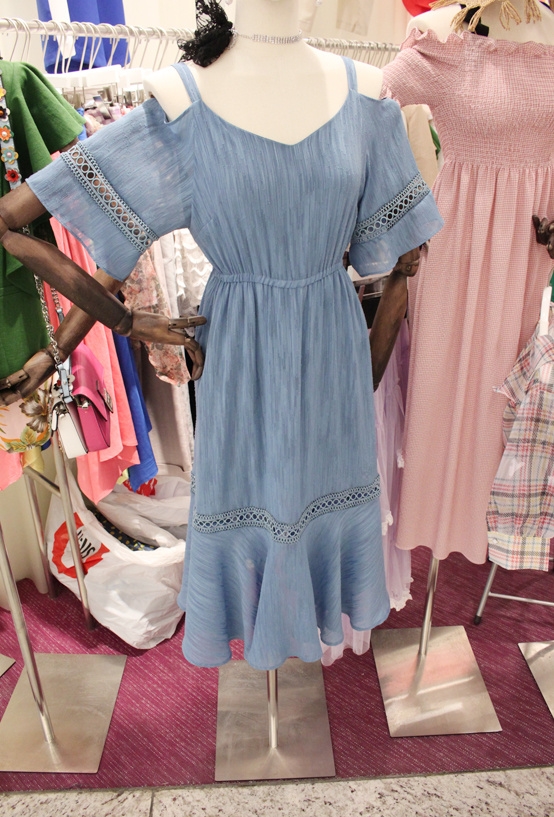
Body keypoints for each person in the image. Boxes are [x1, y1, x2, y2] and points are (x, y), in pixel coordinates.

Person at [0, 0, 442, 670]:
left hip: (331, 346)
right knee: (250, 495)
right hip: (240, 347)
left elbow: (402, 262)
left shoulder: (367, 93)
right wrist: (108, 327)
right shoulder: (182, 102)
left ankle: (302, 630)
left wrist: (366, 375)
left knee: (322, 494)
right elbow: (12, 218)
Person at [380, 0, 554, 566]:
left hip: (533, 251)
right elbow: (367, 112)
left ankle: (494, 530)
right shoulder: (443, 40)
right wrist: (399, 211)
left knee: (510, 399)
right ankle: (436, 520)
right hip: (459, 249)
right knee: (447, 384)